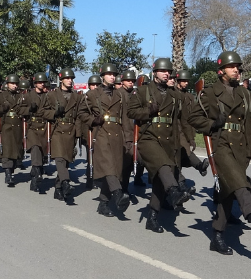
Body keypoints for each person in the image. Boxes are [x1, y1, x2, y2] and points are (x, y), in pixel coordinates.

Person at [189, 51, 251, 254]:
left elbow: (249, 123)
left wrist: (250, 148)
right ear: (221, 71)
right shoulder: (209, 93)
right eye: (232, 67)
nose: (237, 70)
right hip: (221, 145)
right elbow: (194, 118)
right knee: (238, 183)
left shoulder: (244, 93)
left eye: (238, 67)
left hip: (240, 147)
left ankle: (217, 235)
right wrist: (212, 123)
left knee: (227, 192)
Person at [127, 58, 191, 232]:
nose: (166, 74)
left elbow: (182, 118)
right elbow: (130, 112)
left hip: (168, 140)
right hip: (149, 137)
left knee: (159, 179)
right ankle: (174, 191)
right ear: (154, 73)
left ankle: (153, 216)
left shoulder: (175, 94)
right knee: (163, 166)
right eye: (163, 71)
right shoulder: (142, 91)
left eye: (168, 71)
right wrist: (148, 111)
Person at [82, 63, 133, 217]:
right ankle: (118, 194)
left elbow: (125, 118)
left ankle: (103, 204)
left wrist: (128, 139)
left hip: (117, 135)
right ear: (102, 75)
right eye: (109, 74)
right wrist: (93, 120)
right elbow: (82, 113)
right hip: (101, 133)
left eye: (114, 74)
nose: (112, 76)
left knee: (116, 169)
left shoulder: (121, 95)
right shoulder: (92, 94)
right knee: (108, 166)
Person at [42, 69, 84, 201]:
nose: (70, 80)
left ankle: (58, 188)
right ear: (61, 80)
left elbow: (78, 116)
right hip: (58, 129)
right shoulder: (52, 95)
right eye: (67, 78)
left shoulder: (77, 96)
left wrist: (78, 133)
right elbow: (43, 112)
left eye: (71, 78)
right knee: (60, 158)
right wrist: (54, 113)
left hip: (71, 131)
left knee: (66, 161)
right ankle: (66, 182)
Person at [174, 69, 209, 195]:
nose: (186, 83)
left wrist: (192, 136)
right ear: (178, 81)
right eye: (183, 81)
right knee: (180, 154)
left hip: (186, 128)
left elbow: (192, 115)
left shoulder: (189, 96)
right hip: (175, 129)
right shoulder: (173, 94)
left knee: (182, 155)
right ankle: (198, 166)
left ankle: (180, 183)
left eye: (187, 81)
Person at [0, 75, 26, 186]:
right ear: (7, 84)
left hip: (18, 125)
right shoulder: (1, 96)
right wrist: (3, 108)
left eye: (16, 84)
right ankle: (8, 173)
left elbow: (26, 108)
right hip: (7, 125)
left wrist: (23, 110)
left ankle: (12, 167)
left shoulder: (21, 96)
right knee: (7, 149)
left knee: (17, 149)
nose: (14, 86)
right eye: (12, 83)